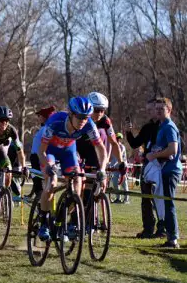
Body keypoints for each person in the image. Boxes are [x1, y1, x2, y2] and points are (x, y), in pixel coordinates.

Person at [36, 97, 108, 241]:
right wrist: (49, 167)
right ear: (71, 114)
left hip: (68, 152)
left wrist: (103, 169)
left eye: (86, 117)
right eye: (80, 117)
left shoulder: (89, 125)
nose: (83, 121)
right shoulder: (55, 122)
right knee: (52, 182)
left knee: (77, 184)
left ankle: (65, 216)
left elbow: (101, 149)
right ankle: (43, 222)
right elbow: (41, 150)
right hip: (50, 151)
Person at [125, 98, 164, 238]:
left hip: (161, 165)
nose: (149, 112)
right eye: (147, 110)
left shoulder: (164, 126)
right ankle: (148, 228)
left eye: (151, 109)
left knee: (159, 198)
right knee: (145, 198)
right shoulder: (147, 127)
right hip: (148, 166)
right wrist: (128, 132)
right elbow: (136, 143)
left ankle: (162, 229)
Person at [146, 97, 181, 248]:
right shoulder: (161, 126)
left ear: (169, 110)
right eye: (157, 108)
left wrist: (154, 155)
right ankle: (170, 237)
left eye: (162, 109)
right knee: (163, 203)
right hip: (162, 170)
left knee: (169, 204)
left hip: (170, 170)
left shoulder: (169, 127)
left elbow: (173, 149)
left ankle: (173, 239)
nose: (158, 111)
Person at [30, 106, 56, 199]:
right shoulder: (44, 128)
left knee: (38, 182)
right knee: (36, 180)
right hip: (36, 157)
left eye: (39, 116)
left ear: (45, 117)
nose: (38, 118)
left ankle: (40, 202)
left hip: (39, 157)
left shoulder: (46, 129)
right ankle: (37, 195)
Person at [111, 133, 130, 204]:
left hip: (122, 168)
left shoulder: (122, 147)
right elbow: (112, 158)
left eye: (119, 138)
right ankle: (118, 198)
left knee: (124, 184)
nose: (118, 139)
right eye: (117, 138)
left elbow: (119, 157)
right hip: (115, 169)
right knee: (115, 183)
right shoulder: (112, 147)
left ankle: (126, 199)